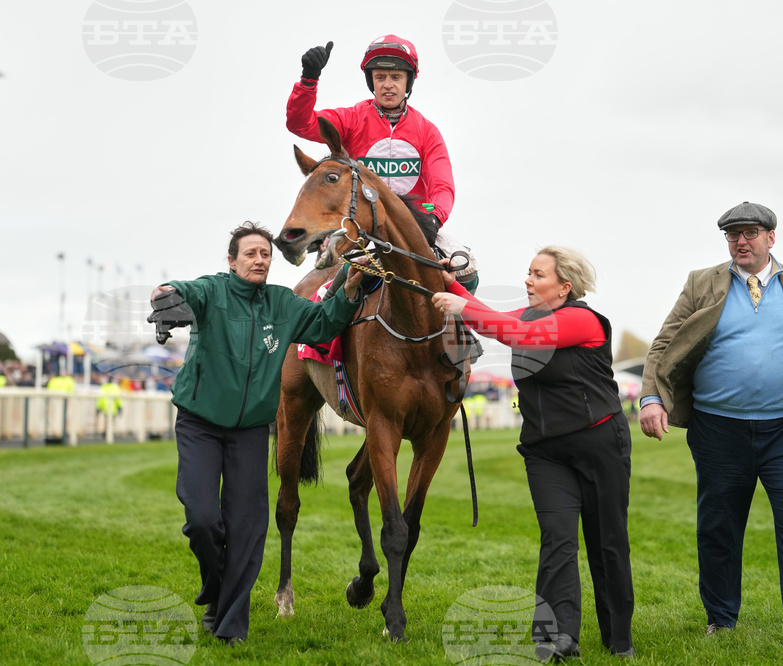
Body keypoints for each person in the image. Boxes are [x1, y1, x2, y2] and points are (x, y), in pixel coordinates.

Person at [638, 202, 783, 647]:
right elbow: (664, 343)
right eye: (732, 234)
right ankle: (721, 619)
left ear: (771, 237)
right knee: (719, 525)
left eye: (750, 232)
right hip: (718, 430)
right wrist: (652, 397)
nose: (741, 241)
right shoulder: (701, 283)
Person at [149, 222, 365, 646]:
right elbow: (183, 291)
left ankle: (230, 628)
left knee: (248, 529)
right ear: (232, 262)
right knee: (202, 521)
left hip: (250, 431)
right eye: (250, 254)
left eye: (264, 254)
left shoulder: (283, 304)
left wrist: (350, 290)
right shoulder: (213, 291)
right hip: (200, 425)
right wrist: (166, 293)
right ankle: (215, 588)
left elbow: (322, 327)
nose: (259, 260)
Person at [432, 247, 635, 661]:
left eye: (538, 275)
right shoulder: (525, 318)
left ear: (565, 286)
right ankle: (558, 638)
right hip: (546, 452)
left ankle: (620, 641)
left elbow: (520, 336)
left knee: (606, 543)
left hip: (599, 444)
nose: (527, 280)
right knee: (557, 540)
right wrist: (448, 281)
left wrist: (461, 307)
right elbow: (497, 321)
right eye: (527, 273)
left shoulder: (582, 319)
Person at [287, 35, 477, 290]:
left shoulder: (427, 131)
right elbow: (301, 123)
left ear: (408, 81)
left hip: (415, 229)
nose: (388, 85)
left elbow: (443, 187)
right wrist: (308, 81)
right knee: (322, 290)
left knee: (468, 272)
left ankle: (461, 330)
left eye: (396, 77)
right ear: (372, 82)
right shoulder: (352, 119)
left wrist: (433, 218)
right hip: (360, 228)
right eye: (380, 77)